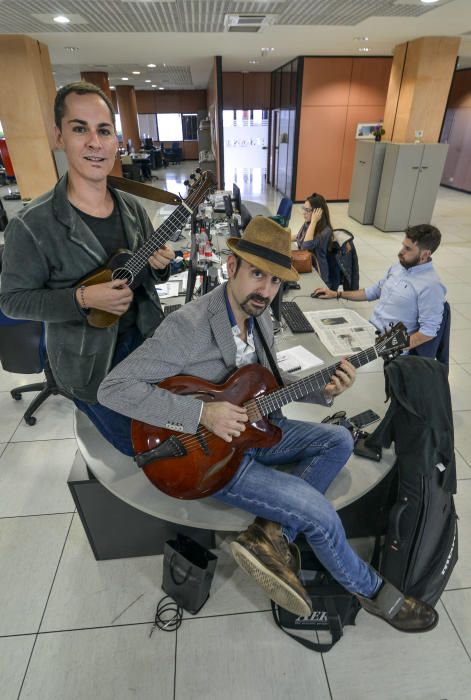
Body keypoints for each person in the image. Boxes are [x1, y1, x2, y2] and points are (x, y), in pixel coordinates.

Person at [98, 217, 437, 633]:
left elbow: (266, 387)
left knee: (339, 439)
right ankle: (374, 593)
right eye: (257, 274)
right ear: (231, 267)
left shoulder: (261, 316)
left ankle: (270, 533)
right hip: (208, 456)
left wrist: (325, 389)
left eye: (276, 280)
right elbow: (113, 390)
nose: (266, 290)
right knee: (320, 515)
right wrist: (203, 414)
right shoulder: (189, 326)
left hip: (256, 431)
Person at [0, 81, 174, 455]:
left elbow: (142, 277)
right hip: (91, 364)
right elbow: (13, 302)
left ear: (115, 141)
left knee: (182, 427)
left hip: (146, 342)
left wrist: (160, 266)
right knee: (146, 449)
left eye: (104, 130)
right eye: (80, 129)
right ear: (59, 136)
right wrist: (81, 298)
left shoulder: (132, 208)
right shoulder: (32, 225)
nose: (95, 142)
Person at [313, 224, 446, 350]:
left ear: (425, 254)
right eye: (403, 246)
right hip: (370, 331)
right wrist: (337, 294)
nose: (401, 252)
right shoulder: (399, 267)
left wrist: (388, 347)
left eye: (408, 249)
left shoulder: (431, 286)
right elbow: (373, 292)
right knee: (318, 335)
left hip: (389, 346)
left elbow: (428, 332)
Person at [292, 192, 333, 287]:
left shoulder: (325, 231)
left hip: (319, 276)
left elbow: (306, 246)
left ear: (317, 212)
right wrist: (280, 237)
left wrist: (314, 221)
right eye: (304, 209)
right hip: (307, 265)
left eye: (307, 210)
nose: (304, 213)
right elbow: (298, 237)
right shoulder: (308, 223)